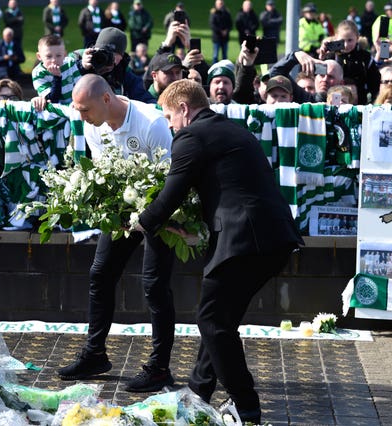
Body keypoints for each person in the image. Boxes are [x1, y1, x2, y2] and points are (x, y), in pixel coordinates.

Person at [135, 79, 303, 425]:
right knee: (219, 321)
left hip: (246, 241)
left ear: (184, 108)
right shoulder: (229, 129)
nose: (169, 125)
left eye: (169, 116)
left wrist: (140, 221)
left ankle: (246, 406)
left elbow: (172, 192)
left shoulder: (191, 136)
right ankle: (198, 394)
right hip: (271, 237)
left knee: (211, 320)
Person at [57, 74, 176, 393]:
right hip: (125, 206)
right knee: (100, 273)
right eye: (78, 110)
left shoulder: (151, 124)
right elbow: (106, 175)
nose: (81, 116)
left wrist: (147, 218)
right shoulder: (92, 125)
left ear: (106, 99)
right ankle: (95, 354)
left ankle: (159, 368)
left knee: (154, 285)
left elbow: (171, 182)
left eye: (85, 109)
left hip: (162, 209)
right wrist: (115, 212)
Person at [76, 27, 156, 104]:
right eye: (103, 53)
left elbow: (145, 98)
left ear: (121, 57)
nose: (107, 59)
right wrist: (82, 67)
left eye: (112, 56)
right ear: (94, 50)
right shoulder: (77, 60)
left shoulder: (124, 72)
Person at [319, 19, 380, 105]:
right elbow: (319, 80)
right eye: (342, 41)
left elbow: (375, 84)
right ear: (336, 37)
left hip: (359, 104)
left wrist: (371, 103)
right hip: (334, 102)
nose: (346, 45)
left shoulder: (365, 57)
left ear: (357, 38)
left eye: (350, 40)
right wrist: (321, 59)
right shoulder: (330, 56)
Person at [31, 34, 80, 105]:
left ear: (64, 54)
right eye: (49, 56)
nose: (54, 60)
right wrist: (57, 77)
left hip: (75, 105)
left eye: (58, 55)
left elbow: (80, 87)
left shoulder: (70, 63)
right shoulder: (38, 73)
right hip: (55, 111)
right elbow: (53, 100)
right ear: (39, 56)